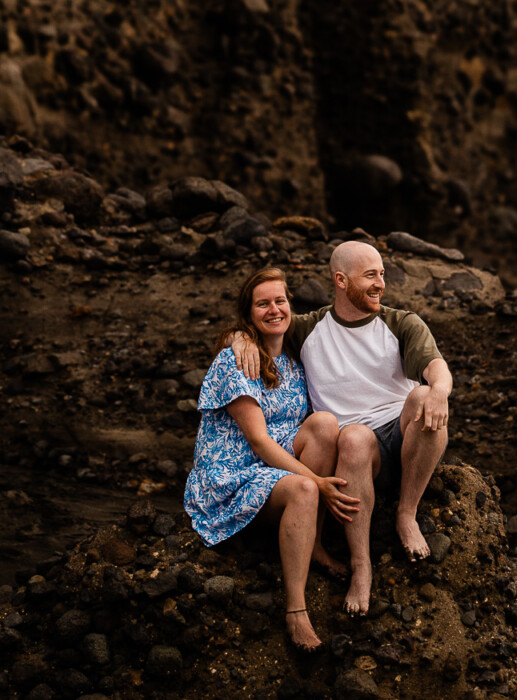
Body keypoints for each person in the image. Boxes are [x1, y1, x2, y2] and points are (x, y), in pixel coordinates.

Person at [231, 241, 452, 617]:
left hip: (406, 441)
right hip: (357, 458)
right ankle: (361, 567)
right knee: (351, 436)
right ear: (340, 280)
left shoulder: (401, 322)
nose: (380, 283)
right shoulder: (309, 329)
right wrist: (238, 337)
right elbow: (267, 322)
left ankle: (406, 513)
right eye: (370, 276)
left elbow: (437, 367)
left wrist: (440, 392)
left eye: (382, 274)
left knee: (422, 395)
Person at [184, 268, 359, 652]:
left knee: (325, 424)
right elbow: (261, 443)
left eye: (280, 300)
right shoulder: (237, 361)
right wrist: (317, 481)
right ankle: (296, 610)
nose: (274, 309)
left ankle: (310, 541)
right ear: (249, 314)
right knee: (303, 488)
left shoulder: (294, 363)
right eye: (262, 303)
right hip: (232, 474)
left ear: (291, 306)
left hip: (271, 468)